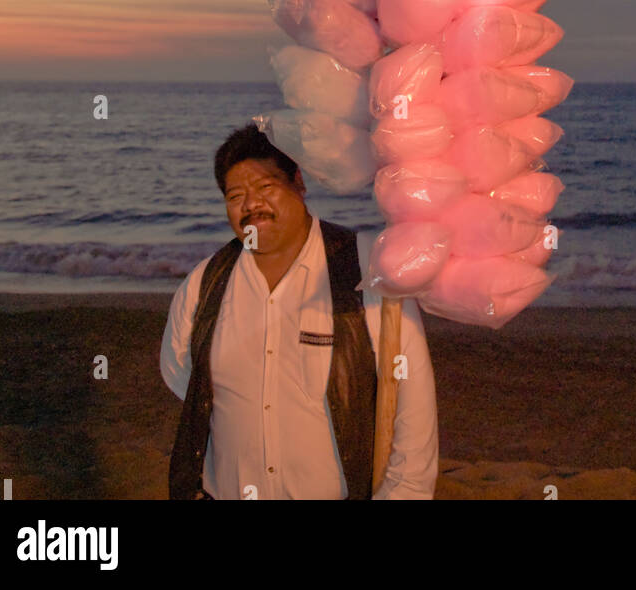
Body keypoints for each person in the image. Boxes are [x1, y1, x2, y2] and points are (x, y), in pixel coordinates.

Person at [160, 122, 438, 500]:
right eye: (234, 195)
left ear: (299, 182)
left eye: (265, 187)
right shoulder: (203, 285)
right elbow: (185, 380)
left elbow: (413, 406)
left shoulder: (365, 270)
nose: (251, 205)